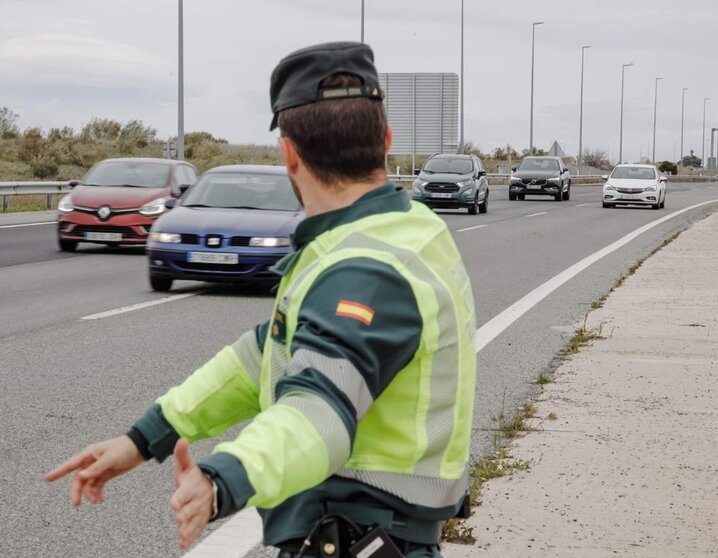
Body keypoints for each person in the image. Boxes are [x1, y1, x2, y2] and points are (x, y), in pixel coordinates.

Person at [45, 41, 477, 558]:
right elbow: (264, 358)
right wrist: (145, 438)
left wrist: (221, 478)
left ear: (289, 153)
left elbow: (318, 413)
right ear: (385, 140)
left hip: (359, 535)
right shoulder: (409, 230)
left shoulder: (364, 267)